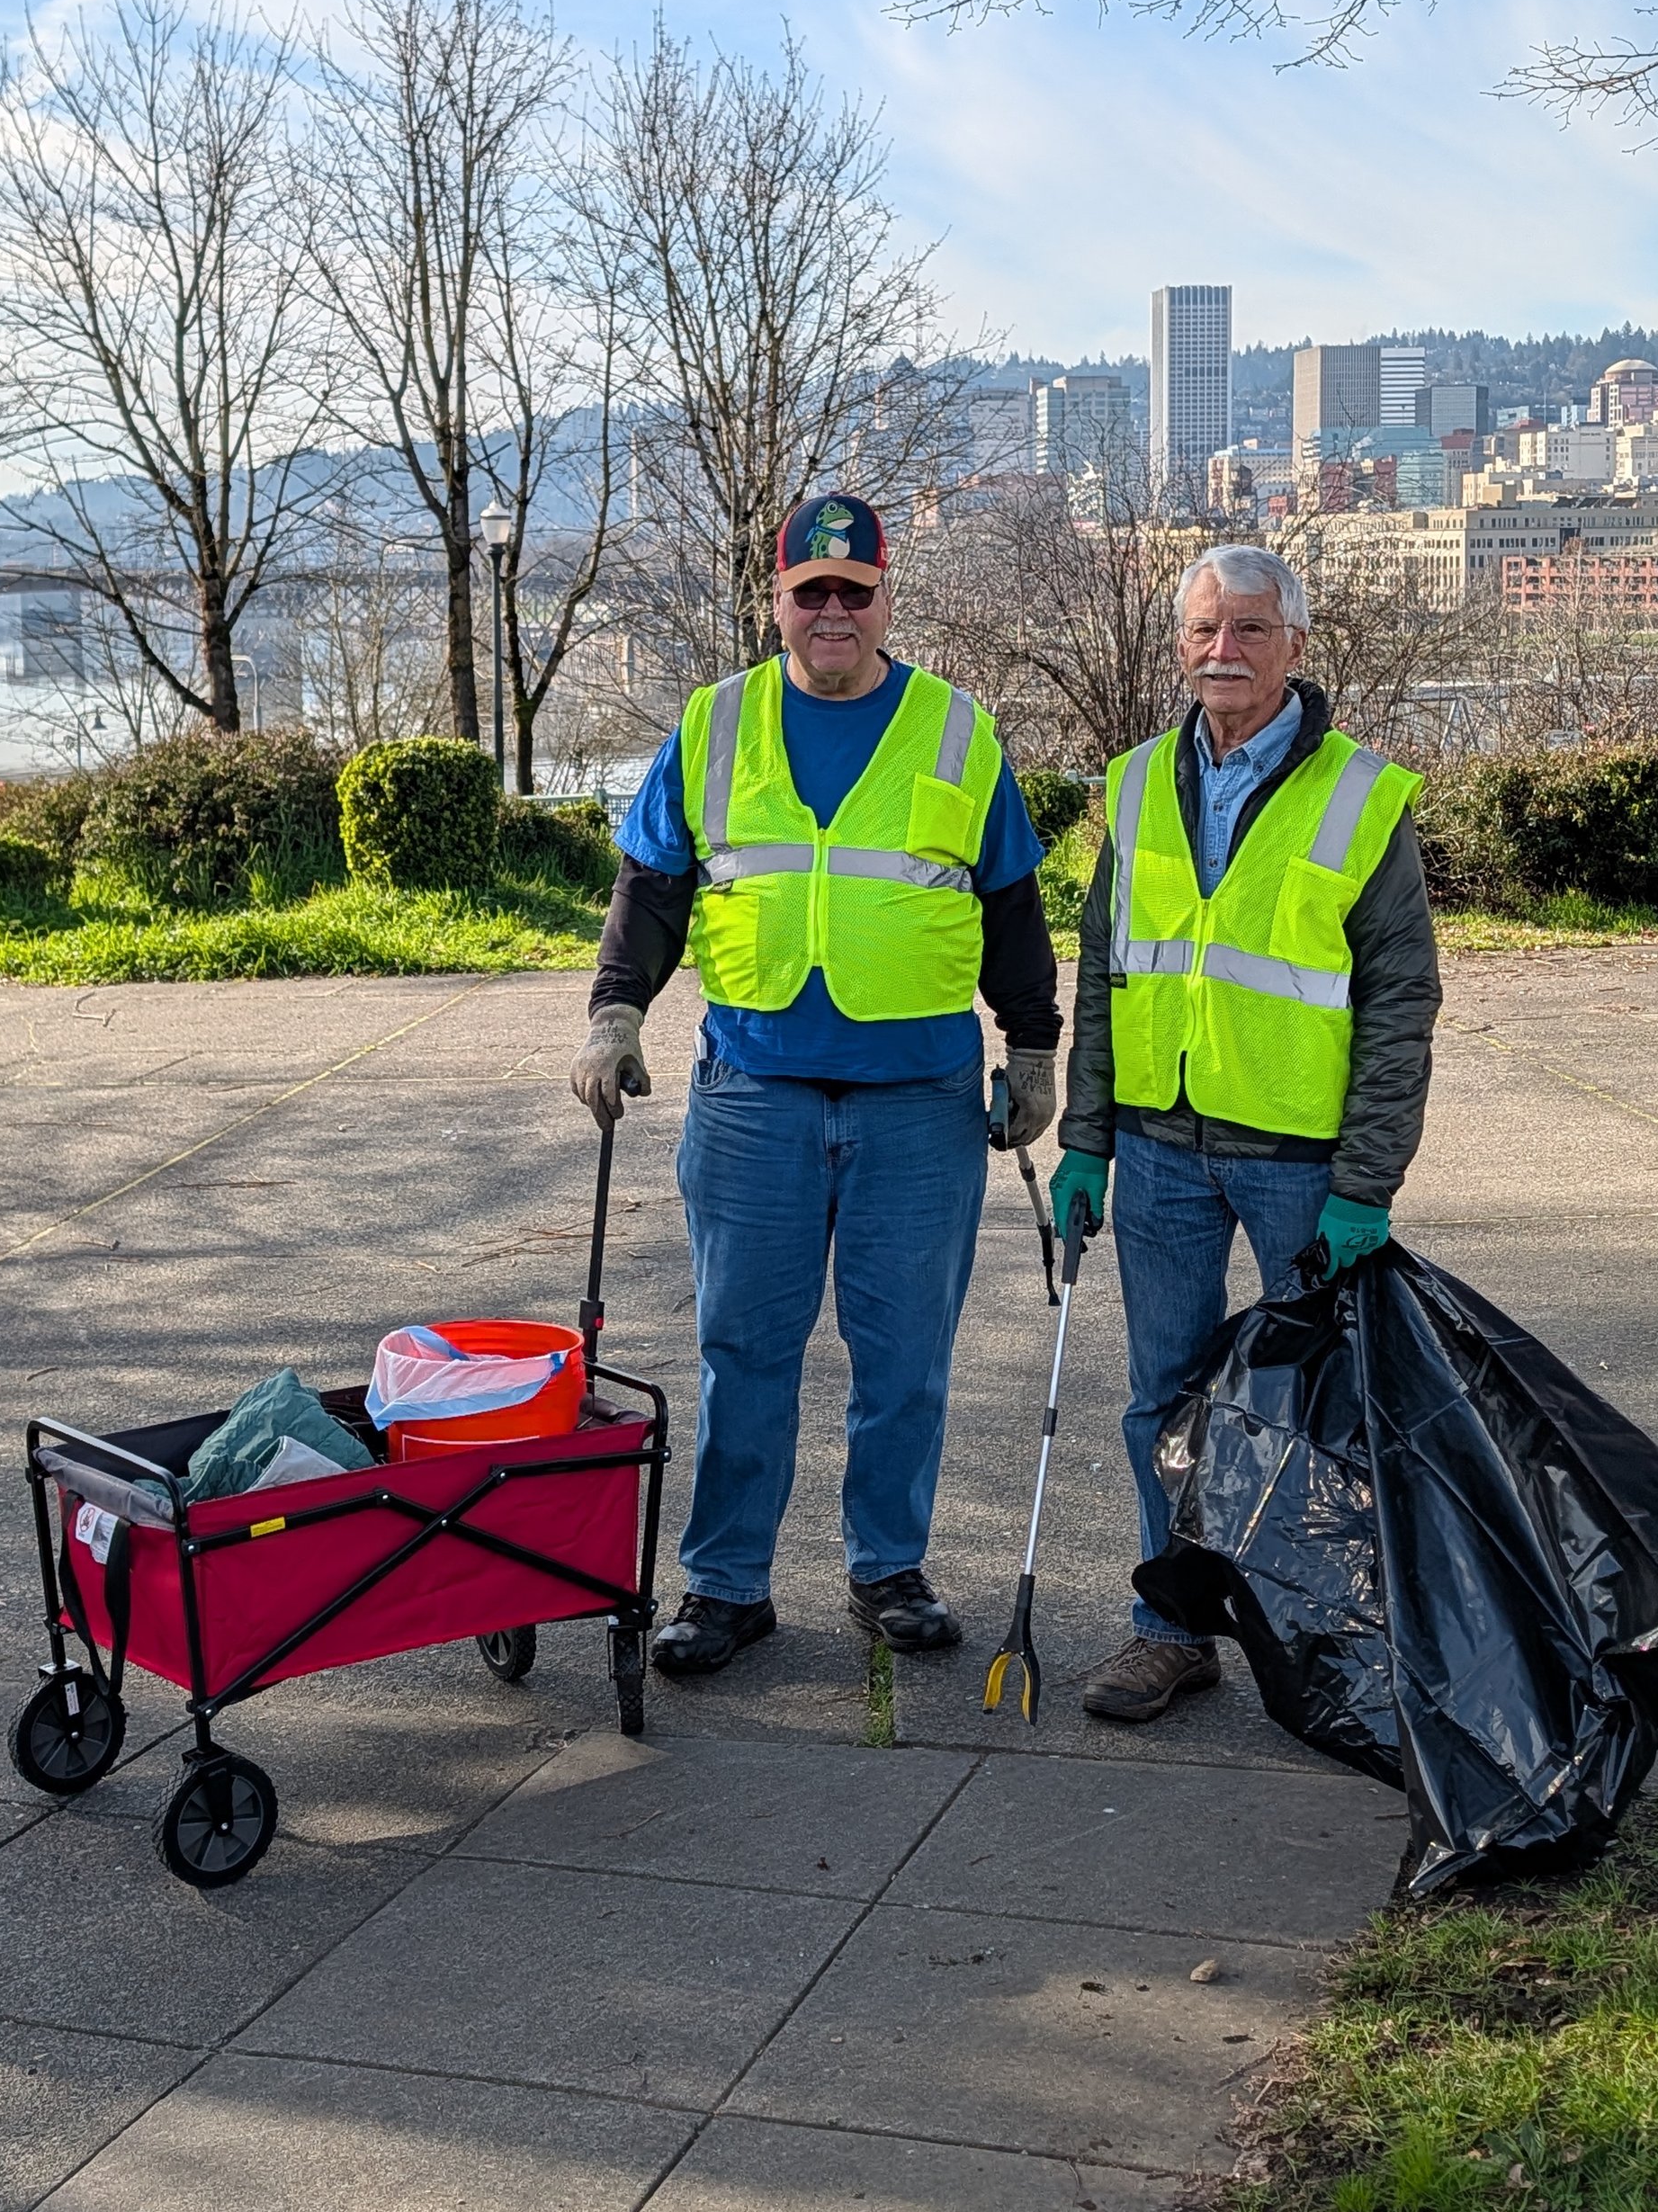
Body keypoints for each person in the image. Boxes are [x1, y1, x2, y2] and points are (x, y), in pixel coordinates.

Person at [569, 492, 1062, 1675]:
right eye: (811, 592)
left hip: (919, 1101)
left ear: (889, 598)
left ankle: (887, 1569)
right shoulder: (714, 723)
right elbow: (652, 889)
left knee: (904, 1361)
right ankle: (728, 1586)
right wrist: (613, 1013)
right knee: (744, 1352)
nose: (833, 609)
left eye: (857, 589)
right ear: (777, 603)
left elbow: (1011, 904)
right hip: (757, 1097)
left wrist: (1036, 1047)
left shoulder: (956, 729)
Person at [1052, 542, 1440, 1724]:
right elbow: (1108, 971)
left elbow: (1400, 1001)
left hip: (1301, 1164)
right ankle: (1169, 1630)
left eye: (1251, 631)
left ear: (1297, 647)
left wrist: (1366, 1186)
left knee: (1326, 1410)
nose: (1225, 653)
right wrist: (1086, 1137)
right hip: (1161, 1150)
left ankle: (1332, 1639)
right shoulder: (1133, 784)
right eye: (1206, 630)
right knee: (1158, 1399)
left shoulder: (1362, 796)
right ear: (1180, 642)